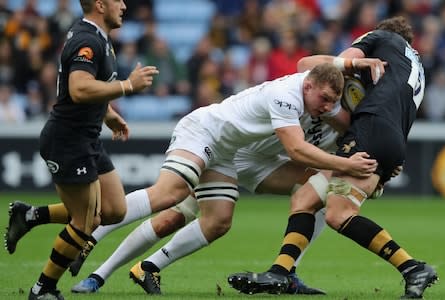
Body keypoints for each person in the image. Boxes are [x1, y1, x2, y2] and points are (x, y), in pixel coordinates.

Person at [7, 57, 381, 295]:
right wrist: (347, 166)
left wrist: (349, 67)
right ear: (309, 86)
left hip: (226, 153)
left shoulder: (310, 88)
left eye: (335, 103)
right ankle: (92, 238)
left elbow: (310, 66)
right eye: (325, 100)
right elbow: (298, 150)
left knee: (218, 221)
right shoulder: (287, 96)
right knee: (169, 195)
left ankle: (37, 216)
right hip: (203, 131)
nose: (329, 109)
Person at [227, 16, 438, 299]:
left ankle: (412, 268)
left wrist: (353, 63)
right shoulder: (416, 68)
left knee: (339, 215)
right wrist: (389, 163)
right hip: (391, 139)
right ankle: (281, 272)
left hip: (369, 131)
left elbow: (320, 67)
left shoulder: (381, 37)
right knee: (304, 198)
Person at [69, 111, 343, 295]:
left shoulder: (353, 113)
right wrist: (351, 63)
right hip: (228, 150)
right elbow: (309, 68)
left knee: (313, 196)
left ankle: (142, 268)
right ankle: (94, 243)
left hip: (259, 163)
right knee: (171, 205)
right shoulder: (324, 86)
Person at [10, 1, 159, 299]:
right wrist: (128, 86)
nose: (124, 5)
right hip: (67, 140)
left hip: (87, 138)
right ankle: (43, 289)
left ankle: (30, 216)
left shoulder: (99, 37)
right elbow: (79, 88)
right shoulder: (87, 40)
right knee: (86, 220)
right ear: (100, 5)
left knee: (115, 210)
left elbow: (83, 87)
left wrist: (107, 114)